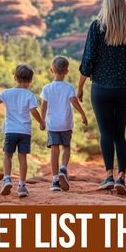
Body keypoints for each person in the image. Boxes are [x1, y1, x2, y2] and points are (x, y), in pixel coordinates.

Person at [77, 0, 126, 195]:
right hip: (125, 90)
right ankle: (122, 179)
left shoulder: (96, 28)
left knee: (106, 133)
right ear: (123, 7)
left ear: (105, 6)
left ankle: (108, 176)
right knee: (119, 135)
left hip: (101, 89)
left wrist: (80, 87)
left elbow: (88, 59)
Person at [0, 63, 45, 198]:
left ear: (15, 77)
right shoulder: (30, 95)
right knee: (22, 157)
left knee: (7, 155)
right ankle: (22, 185)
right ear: (30, 80)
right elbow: (33, 111)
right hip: (24, 131)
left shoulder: (7, 93)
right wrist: (42, 122)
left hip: (10, 131)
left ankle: (7, 178)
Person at [40, 55, 88, 192]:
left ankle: (55, 180)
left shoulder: (47, 88)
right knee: (66, 147)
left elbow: (44, 106)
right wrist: (83, 115)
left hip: (52, 124)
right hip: (66, 124)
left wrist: (42, 120)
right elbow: (74, 101)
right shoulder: (69, 87)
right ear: (67, 71)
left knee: (54, 150)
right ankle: (63, 168)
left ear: (51, 70)